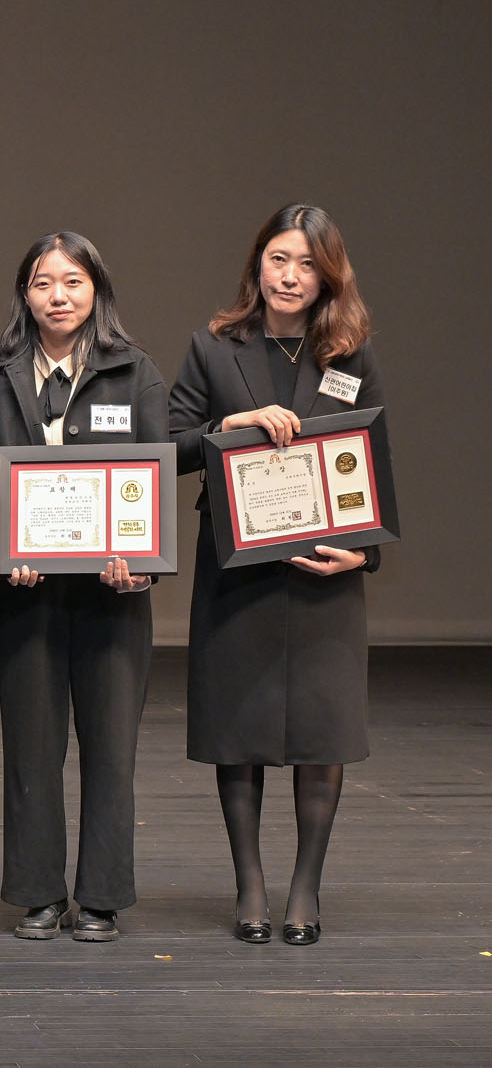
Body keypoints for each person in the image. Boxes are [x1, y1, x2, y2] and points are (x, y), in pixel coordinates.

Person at [168, 203, 384, 946]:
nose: (289, 276)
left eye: (306, 264)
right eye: (278, 259)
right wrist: (226, 428)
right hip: (239, 575)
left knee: (322, 730)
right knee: (240, 728)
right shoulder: (213, 346)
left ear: (328, 276)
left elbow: (373, 464)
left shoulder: (349, 354)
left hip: (326, 574)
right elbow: (170, 445)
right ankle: (251, 885)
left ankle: (305, 888)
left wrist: (366, 553)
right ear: (257, 263)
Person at [0, 232, 167, 942]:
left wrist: (143, 560)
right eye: (42, 283)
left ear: (97, 289)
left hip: (114, 594)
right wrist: (2, 556)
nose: (58, 296)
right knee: (31, 747)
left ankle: (102, 897)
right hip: (28, 593)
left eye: (73, 281)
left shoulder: (134, 371)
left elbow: (155, 477)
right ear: (24, 295)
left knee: (111, 748)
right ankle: (39, 893)